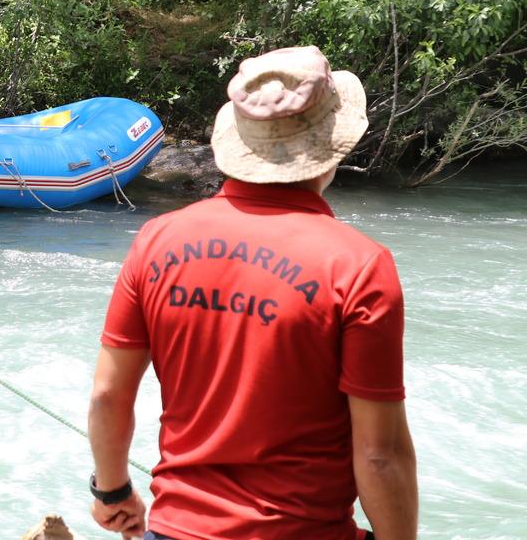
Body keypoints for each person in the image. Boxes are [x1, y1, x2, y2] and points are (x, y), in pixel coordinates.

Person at [88, 46, 417, 540]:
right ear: (332, 148)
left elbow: (108, 395)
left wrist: (112, 493)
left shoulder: (156, 241)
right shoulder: (359, 267)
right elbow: (380, 455)